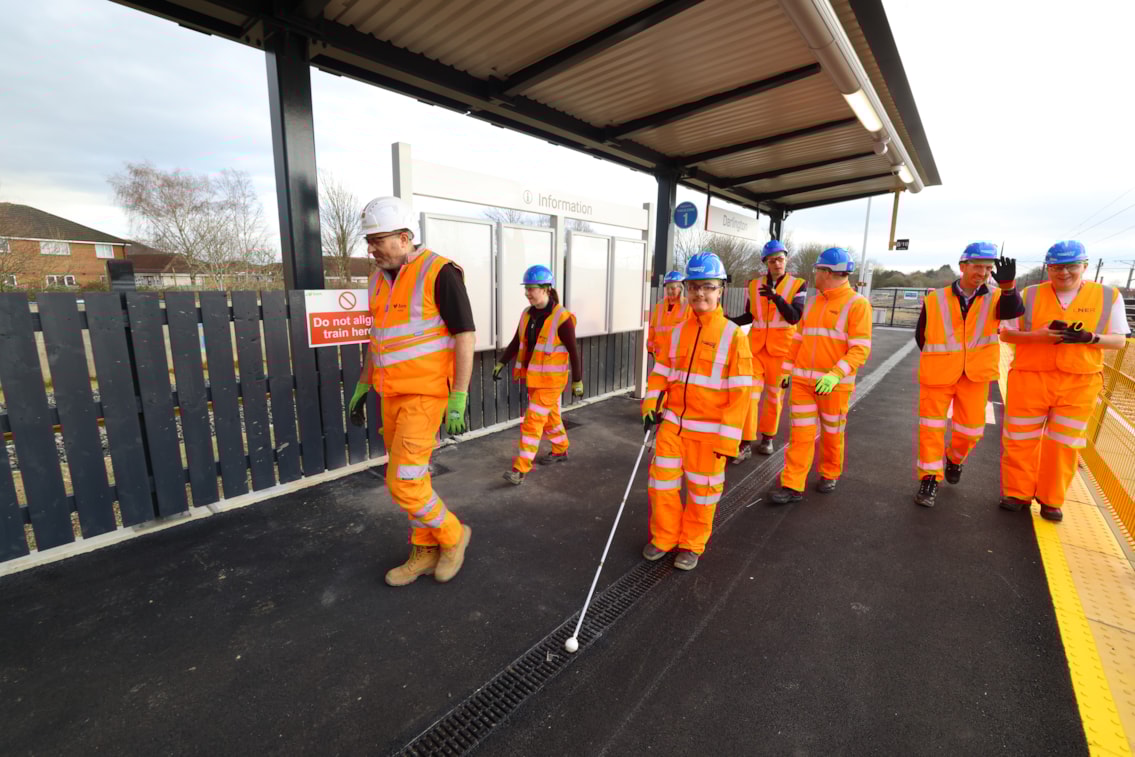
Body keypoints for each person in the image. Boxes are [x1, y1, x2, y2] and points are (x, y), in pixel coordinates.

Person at [347, 196, 474, 587]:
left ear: (404, 238)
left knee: (402, 481)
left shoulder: (439, 272)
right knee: (416, 479)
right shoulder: (375, 280)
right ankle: (424, 548)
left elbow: (465, 335)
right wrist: (363, 384)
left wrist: (460, 395)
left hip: (425, 395)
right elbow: (378, 340)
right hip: (392, 395)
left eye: (377, 240)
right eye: (368, 241)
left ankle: (452, 536)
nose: (371, 249)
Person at [999, 240, 1128, 522]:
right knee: (1020, 440)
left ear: (1084, 265)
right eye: (1057, 267)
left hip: (1079, 383)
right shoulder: (1030, 294)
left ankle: (1051, 499)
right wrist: (1038, 336)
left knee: (1064, 444)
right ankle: (1016, 493)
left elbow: (1119, 340)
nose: (1064, 273)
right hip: (1030, 378)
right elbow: (1006, 333)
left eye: (1071, 266)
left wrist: (1090, 338)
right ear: (1049, 268)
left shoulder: (1109, 296)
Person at [641, 251, 752, 570]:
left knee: (703, 493)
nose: (699, 293)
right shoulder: (677, 332)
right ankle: (665, 537)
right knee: (661, 484)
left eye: (707, 286)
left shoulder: (733, 336)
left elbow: (741, 392)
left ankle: (692, 543)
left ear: (721, 290)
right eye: (693, 287)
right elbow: (661, 372)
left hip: (710, 433)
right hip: (673, 425)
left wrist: (729, 442)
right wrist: (651, 403)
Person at [913, 243, 1023, 507]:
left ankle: (954, 457)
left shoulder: (997, 297)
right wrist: (941, 358)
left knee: (971, 430)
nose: (983, 272)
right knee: (931, 429)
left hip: (975, 375)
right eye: (978, 266)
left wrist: (1008, 285)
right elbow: (921, 335)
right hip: (938, 373)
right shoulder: (935, 298)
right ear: (963, 266)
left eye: (988, 267)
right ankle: (929, 478)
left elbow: (1014, 311)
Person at [769, 248, 872, 504]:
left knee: (831, 432)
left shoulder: (857, 304)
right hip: (804, 383)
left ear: (828, 272)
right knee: (800, 435)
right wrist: (785, 369)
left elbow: (860, 348)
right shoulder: (814, 302)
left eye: (818, 269)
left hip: (833, 386)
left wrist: (836, 375)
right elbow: (798, 340)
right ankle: (793, 484)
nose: (815, 273)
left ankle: (829, 472)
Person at [494, 265, 584, 485]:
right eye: (526, 288)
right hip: (535, 378)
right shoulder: (527, 314)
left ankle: (520, 469)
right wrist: (502, 362)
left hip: (552, 381)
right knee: (550, 417)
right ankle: (561, 449)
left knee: (533, 422)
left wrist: (577, 380)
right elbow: (517, 340)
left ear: (545, 288)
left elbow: (574, 351)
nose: (527, 293)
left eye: (531, 288)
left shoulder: (561, 318)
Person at [729, 239, 807, 461]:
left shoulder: (798, 284)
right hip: (754, 350)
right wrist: (729, 321)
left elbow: (794, 316)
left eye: (781, 259)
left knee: (774, 397)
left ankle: (768, 437)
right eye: (772, 260)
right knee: (749, 395)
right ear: (765, 262)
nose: (777, 263)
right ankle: (745, 441)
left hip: (782, 352)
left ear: (786, 259)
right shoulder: (753, 285)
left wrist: (776, 297)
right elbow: (750, 316)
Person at [649, 271, 689, 357]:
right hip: (660, 355)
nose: (669, 291)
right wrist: (650, 348)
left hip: (679, 357)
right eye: (667, 288)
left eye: (673, 288)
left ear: (681, 288)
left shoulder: (688, 306)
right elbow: (652, 328)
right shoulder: (659, 305)